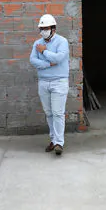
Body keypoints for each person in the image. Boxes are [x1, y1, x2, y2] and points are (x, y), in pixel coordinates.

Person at [29, 14, 70, 156]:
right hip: (44, 82)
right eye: (41, 28)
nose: (43, 31)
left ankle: (59, 142)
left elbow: (58, 58)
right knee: (49, 113)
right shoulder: (37, 43)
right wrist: (48, 63)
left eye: (46, 28)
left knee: (58, 113)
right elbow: (33, 60)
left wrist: (44, 52)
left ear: (53, 29)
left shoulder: (62, 42)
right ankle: (53, 139)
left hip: (59, 81)